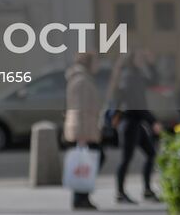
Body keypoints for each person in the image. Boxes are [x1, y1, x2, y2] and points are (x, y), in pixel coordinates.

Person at [112, 51, 161, 204]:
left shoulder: (137, 74)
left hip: (137, 123)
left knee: (151, 153)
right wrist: (152, 121)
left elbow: (154, 82)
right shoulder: (129, 77)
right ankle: (120, 193)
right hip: (129, 123)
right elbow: (136, 103)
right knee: (126, 159)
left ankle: (147, 190)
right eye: (140, 57)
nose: (142, 60)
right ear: (132, 61)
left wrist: (151, 64)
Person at [65, 52, 105, 210]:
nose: (98, 66)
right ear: (88, 63)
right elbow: (80, 108)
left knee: (88, 161)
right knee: (90, 160)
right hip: (83, 127)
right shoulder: (82, 80)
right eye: (96, 62)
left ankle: (81, 197)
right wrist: (82, 136)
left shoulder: (82, 78)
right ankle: (80, 197)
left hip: (84, 125)